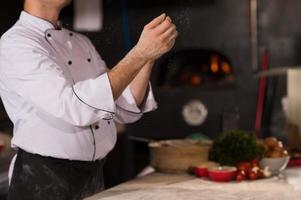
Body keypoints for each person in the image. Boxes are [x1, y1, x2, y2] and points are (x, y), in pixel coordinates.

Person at [0, 0, 178, 199]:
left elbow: (123, 107)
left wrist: (148, 57)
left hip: (93, 177)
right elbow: (75, 107)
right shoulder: (17, 43)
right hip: (42, 181)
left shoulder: (80, 43)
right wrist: (139, 54)